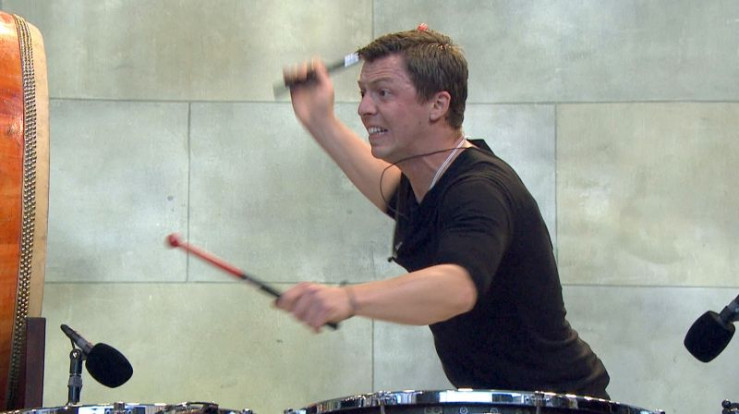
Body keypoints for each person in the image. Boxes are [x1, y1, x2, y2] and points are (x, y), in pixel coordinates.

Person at [275, 27, 610, 399]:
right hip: (502, 400)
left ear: (438, 105)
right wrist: (319, 120)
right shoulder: (430, 184)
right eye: (363, 92)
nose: (364, 108)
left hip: (558, 401)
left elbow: (456, 286)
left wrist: (347, 299)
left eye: (383, 92)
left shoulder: (479, 189)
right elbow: (387, 189)